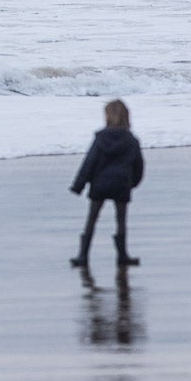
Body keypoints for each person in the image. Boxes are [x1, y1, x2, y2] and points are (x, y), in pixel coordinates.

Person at [69, 99, 145, 269]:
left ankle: (83, 255)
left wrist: (78, 186)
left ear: (107, 116)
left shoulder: (100, 139)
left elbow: (89, 163)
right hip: (121, 184)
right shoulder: (131, 140)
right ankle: (123, 255)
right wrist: (132, 183)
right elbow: (139, 165)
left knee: (92, 219)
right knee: (121, 220)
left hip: (100, 185)